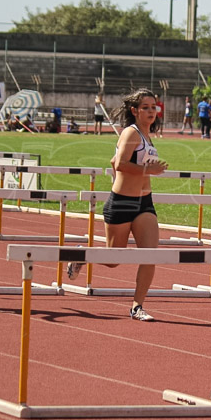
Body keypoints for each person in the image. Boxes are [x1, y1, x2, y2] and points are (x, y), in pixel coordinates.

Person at [65, 88, 168, 322]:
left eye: (154, 107)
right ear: (135, 111)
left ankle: (137, 306)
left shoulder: (147, 135)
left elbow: (113, 161)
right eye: (146, 108)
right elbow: (120, 164)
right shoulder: (131, 134)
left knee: (150, 255)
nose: (152, 111)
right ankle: (83, 255)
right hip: (121, 202)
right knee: (113, 260)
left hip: (145, 203)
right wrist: (146, 171)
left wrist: (141, 176)